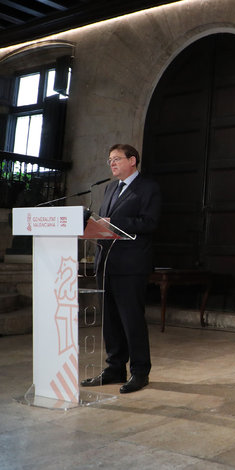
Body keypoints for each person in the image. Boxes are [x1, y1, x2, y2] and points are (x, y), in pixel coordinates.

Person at [81, 144, 161, 394]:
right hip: (106, 264)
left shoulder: (148, 187)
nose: (112, 164)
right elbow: (104, 223)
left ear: (132, 160)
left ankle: (139, 371)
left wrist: (115, 222)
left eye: (116, 159)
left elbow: (150, 222)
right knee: (110, 321)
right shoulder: (110, 188)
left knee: (131, 320)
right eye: (110, 160)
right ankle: (115, 368)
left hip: (131, 265)